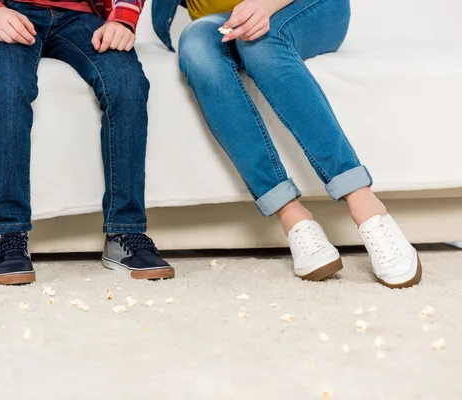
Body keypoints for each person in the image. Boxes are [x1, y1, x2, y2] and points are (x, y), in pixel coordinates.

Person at [152, 0, 421, 288]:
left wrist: (264, 5)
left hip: (308, 6)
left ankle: (366, 206)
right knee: (196, 46)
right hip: (221, 20)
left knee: (261, 43)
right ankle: (293, 217)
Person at [0, 0, 174, 284]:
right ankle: (10, 234)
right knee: (9, 83)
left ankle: (125, 231)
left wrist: (122, 19)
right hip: (9, 11)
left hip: (81, 16)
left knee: (128, 83)